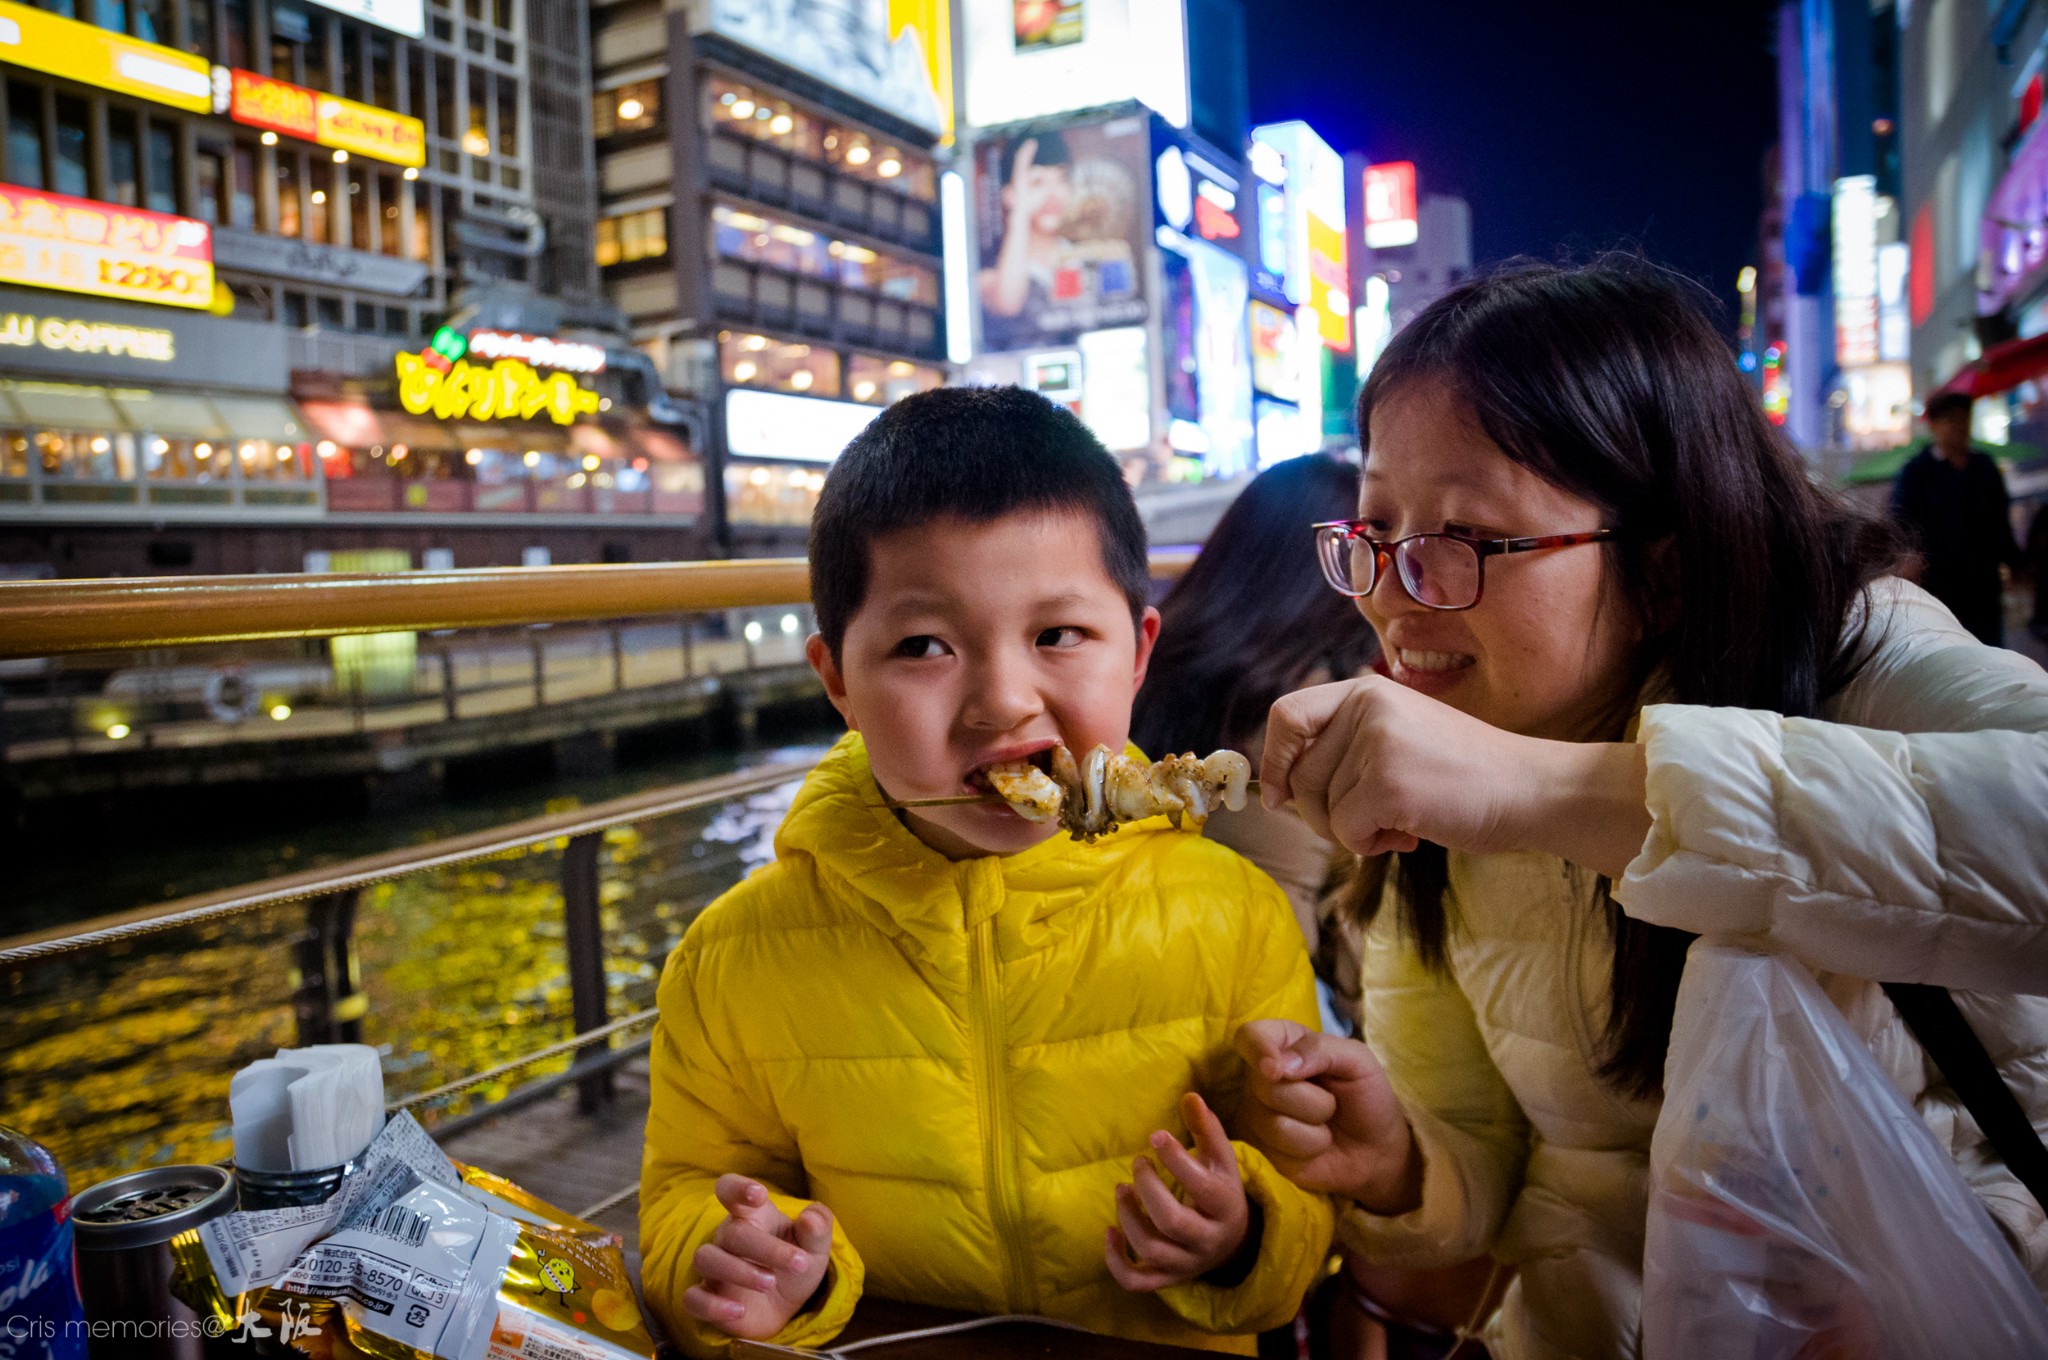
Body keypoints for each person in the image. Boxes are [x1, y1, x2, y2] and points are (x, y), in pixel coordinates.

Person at [1229, 261, 2048, 1360]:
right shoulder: (1436, 742)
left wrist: (1541, 791)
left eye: (1463, 539)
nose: (1391, 590)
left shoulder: (1851, 650)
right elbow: (1490, 1148)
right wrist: (1400, 1159)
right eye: (1375, 529)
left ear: (1663, 567)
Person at [639, 386, 1335, 1358]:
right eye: (924, 646)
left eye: (1057, 635)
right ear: (837, 678)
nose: (1002, 703)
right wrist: (739, 1260)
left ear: (1137, 653)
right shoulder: (730, 959)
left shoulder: (1235, 916)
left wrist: (1240, 1234)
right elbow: (681, 1195)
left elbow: (1304, 1210)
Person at [1132, 453, 1379, 975]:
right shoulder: (1329, 709)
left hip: (1136, 964)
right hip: (1263, 988)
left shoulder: (1149, 660)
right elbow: (1350, 946)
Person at [1890, 391, 2025, 645]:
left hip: (1982, 578)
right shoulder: (1917, 472)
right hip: (1939, 580)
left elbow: (1999, 522)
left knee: (1988, 647)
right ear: (1934, 425)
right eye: (1951, 420)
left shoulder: (1984, 466)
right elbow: (1902, 522)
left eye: (1964, 419)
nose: (1959, 427)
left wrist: (2015, 563)